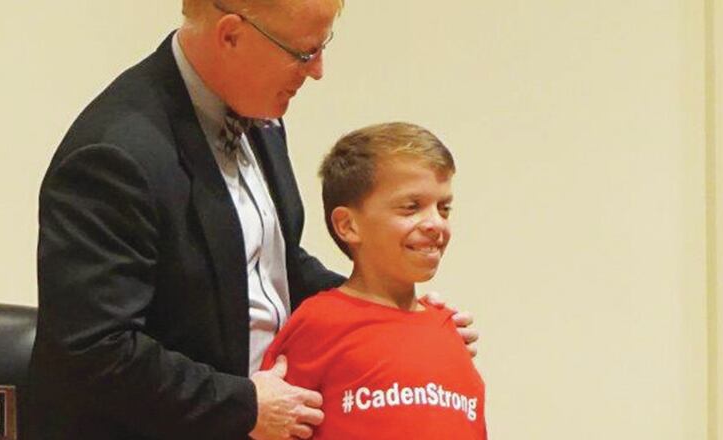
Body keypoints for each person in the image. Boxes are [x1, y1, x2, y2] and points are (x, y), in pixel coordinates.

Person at [28, 1, 478, 439]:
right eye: (303, 52)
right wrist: (243, 406)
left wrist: (388, 316)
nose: (317, 71)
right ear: (230, 35)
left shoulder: (258, 113)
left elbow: (271, 262)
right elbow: (94, 351)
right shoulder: (114, 155)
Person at [261, 122, 487, 439]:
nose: (435, 223)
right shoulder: (318, 324)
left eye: (443, 208)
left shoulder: (450, 332)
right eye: (411, 207)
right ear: (348, 225)